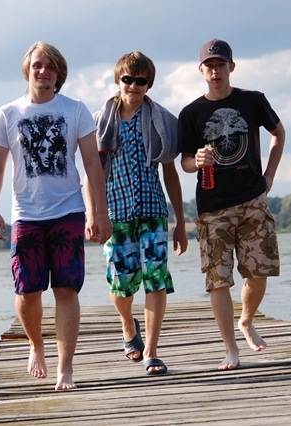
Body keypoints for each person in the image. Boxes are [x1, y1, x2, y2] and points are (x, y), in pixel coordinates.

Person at [0, 41, 112, 390]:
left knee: (66, 289)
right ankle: (36, 345)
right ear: (27, 70)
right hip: (26, 214)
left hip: (68, 210)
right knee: (27, 291)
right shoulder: (7, 114)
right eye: (38, 65)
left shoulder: (76, 110)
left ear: (59, 74)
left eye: (50, 66)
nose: (43, 71)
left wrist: (100, 213)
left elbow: (92, 164)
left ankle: (65, 368)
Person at [178, 39, 286, 370]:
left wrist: (269, 176)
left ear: (231, 67)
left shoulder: (253, 100)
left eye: (221, 65)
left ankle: (247, 320)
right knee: (219, 280)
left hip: (253, 201)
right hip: (212, 208)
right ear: (201, 70)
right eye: (209, 66)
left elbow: (279, 134)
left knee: (259, 272)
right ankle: (231, 349)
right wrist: (196, 161)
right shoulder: (191, 113)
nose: (215, 71)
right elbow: (184, 162)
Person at [84, 51, 187, 375]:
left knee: (156, 280)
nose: (133, 85)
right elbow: (91, 174)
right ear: (119, 80)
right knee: (122, 284)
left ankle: (151, 353)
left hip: (153, 210)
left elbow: (170, 172)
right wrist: (92, 215)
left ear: (148, 84)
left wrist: (180, 222)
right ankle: (128, 325)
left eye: (140, 81)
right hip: (114, 214)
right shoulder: (99, 122)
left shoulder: (161, 121)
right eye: (128, 79)